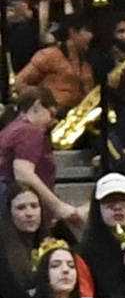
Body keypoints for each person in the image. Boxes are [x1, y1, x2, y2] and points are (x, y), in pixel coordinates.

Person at [0, 88, 82, 233]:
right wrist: (57, 206)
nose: (52, 121)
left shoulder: (10, 130)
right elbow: (23, 173)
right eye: (51, 114)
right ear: (37, 106)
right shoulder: (30, 132)